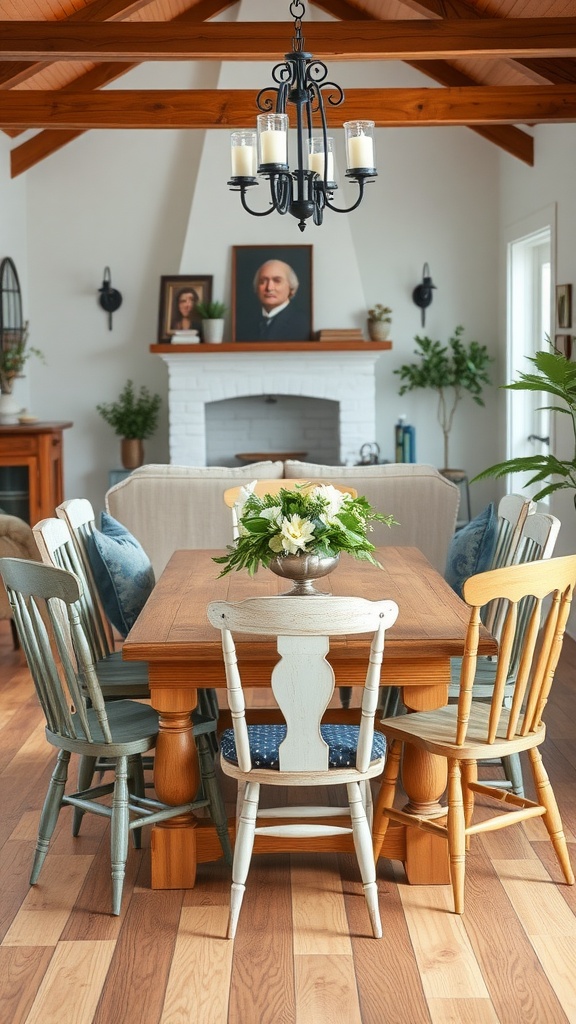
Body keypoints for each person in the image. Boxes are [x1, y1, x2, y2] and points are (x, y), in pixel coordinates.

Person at [236, 259, 310, 342]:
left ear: (291, 287)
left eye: (277, 281)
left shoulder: (301, 323)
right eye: (263, 281)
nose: (269, 288)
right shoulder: (245, 323)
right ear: (256, 287)